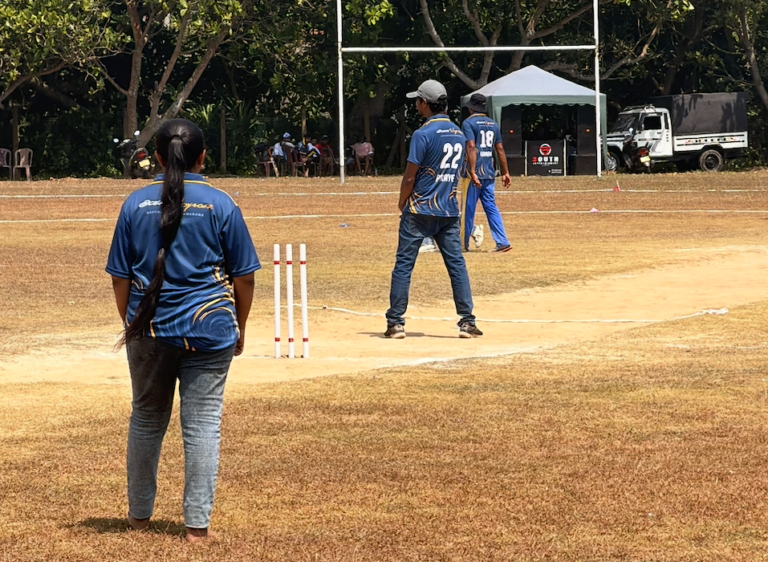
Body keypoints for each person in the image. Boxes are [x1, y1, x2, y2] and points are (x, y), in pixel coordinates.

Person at [105, 119, 260, 543]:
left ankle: (138, 519)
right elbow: (244, 276)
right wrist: (239, 325)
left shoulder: (135, 204)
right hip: (210, 328)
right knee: (204, 423)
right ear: (203, 156)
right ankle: (196, 528)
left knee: (147, 419)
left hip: (149, 328)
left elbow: (119, 277)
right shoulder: (220, 203)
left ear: (155, 157)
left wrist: (130, 324)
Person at [384, 79, 481, 339]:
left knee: (404, 265)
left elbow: (409, 176)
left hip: (419, 210)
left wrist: (401, 200)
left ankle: (395, 322)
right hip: (448, 210)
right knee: (456, 265)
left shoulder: (423, 134)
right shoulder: (459, 133)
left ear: (425, 103)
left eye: (417, 101)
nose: (416, 105)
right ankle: (467, 321)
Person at [461, 93, 512, 253]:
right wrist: (505, 172)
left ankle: (463, 245)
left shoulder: (468, 123)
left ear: (471, 108)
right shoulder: (493, 124)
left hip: (473, 174)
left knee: (468, 209)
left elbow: (470, 146)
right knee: (491, 207)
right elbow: (500, 149)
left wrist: (472, 171)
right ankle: (502, 241)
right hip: (489, 172)